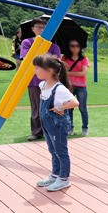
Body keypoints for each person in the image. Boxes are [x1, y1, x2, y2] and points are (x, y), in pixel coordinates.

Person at [33, 55, 79, 192]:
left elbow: (75, 103)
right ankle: (55, 175)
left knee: (61, 152)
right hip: (47, 125)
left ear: (50, 70)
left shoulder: (59, 89)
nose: (35, 70)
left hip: (57, 125)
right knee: (53, 151)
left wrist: (59, 108)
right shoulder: (43, 85)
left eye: (37, 67)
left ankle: (64, 179)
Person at [20, 17, 61, 141]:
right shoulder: (27, 43)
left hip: (50, 81)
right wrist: (48, 58)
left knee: (51, 106)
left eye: (44, 27)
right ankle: (36, 131)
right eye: (39, 27)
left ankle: (50, 130)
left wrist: (44, 58)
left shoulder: (54, 46)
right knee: (36, 107)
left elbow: (58, 63)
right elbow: (27, 59)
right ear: (33, 29)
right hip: (33, 81)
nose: (42, 29)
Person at [62, 40, 90, 136]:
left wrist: (68, 73)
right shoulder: (65, 58)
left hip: (81, 86)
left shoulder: (84, 59)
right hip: (69, 86)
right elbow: (61, 70)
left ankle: (85, 127)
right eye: (72, 45)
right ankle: (70, 128)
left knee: (82, 108)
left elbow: (83, 73)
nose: (75, 48)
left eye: (77, 45)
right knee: (69, 108)